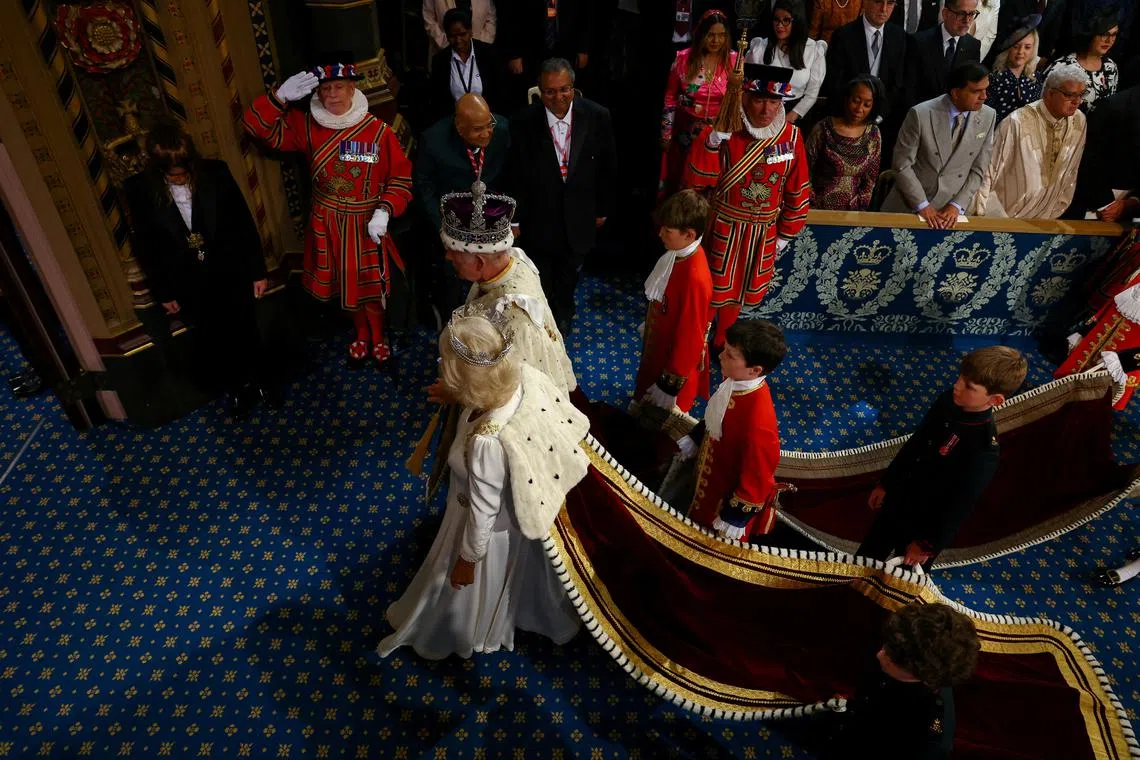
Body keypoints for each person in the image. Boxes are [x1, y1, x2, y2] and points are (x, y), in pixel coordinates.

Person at [377, 308, 586, 660]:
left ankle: (460, 633)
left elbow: (483, 511)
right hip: (513, 515)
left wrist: (468, 559)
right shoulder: (521, 376)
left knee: (458, 592)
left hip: (480, 530)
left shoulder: (487, 442)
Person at [243, 53, 413, 367]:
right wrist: (278, 98)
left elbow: (401, 179)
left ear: (352, 88)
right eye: (325, 89)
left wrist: (385, 210)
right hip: (328, 224)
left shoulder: (379, 132)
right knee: (347, 288)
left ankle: (378, 339)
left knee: (370, 288)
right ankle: (360, 336)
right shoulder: (305, 125)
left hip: (366, 223)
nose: (331, 95)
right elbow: (256, 126)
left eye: (338, 87)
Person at [123, 123, 268, 416]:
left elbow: (243, 223)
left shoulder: (216, 172)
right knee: (212, 339)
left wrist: (257, 271)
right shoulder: (138, 189)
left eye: (185, 170)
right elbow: (146, 246)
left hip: (231, 270)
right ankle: (235, 388)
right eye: (173, 174)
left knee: (246, 330)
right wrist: (162, 290)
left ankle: (261, 381)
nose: (181, 178)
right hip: (187, 281)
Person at [857, 346, 1028, 569]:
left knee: (900, 581)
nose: (957, 386)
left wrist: (926, 544)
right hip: (899, 501)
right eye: (961, 377)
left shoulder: (983, 449)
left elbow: (958, 506)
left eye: (969, 386)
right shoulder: (948, 401)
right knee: (864, 559)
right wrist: (886, 483)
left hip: (923, 526)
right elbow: (917, 444)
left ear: (995, 400)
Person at [681, 63, 812, 349]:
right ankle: (694, 341)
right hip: (722, 226)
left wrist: (785, 234)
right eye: (759, 99)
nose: (767, 109)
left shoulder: (791, 137)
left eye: (774, 101)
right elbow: (695, 182)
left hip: (762, 232)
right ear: (744, 97)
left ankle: (721, 342)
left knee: (739, 293)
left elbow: (798, 189)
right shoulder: (724, 130)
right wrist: (711, 144)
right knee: (709, 289)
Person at [507, 58, 617, 334]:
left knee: (569, 273)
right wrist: (515, 219)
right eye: (550, 91)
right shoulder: (522, 123)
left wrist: (603, 208)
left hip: (580, 213)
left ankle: (564, 314)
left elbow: (607, 166)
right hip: (539, 215)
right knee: (541, 274)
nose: (558, 97)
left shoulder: (597, 116)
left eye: (564, 89)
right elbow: (516, 174)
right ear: (540, 90)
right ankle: (542, 319)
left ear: (574, 87)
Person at [439, 183, 577, 396]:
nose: (448, 257)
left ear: (479, 262)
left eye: (453, 253)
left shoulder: (515, 316)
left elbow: (509, 389)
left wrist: (456, 392)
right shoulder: (511, 260)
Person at [674, 319, 785, 541]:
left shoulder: (758, 421)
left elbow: (759, 477)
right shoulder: (737, 379)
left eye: (730, 355)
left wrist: (734, 519)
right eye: (724, 349)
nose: (720, 356)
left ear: (755, 370)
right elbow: (717, 415)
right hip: (708, 481)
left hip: (721, 505)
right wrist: (697, 438)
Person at [825, 603, 980, 759]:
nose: (879, 654)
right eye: (887, 646)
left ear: (923, 676)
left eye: (893, 658)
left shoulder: (927, 739)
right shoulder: (904, 647)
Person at [415, 94, 511, 314]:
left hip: (491, 218)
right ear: (459, 127)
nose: (487, 133)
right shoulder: (433, 141)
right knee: (451, 281)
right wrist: (443, 228)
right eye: (478, 129)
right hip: (451, 221)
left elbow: (511, 174)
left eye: (489, 125)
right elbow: (424, 187)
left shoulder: (503, 129)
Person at [881, 62, 996, 230]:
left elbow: (979, 169)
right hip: (909, 207)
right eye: (976, 91)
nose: (984, 96)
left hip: (950, 216)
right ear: (956, 93)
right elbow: (902, 165)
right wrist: (922, 206)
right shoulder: (921, 114)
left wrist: (956, 205)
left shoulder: (988, 115)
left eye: (985, 89)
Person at [971, 62, 1087, 218]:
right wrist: (980, 215)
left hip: (1047, 217)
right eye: (1068, 95)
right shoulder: (1017, 122)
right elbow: (989, 170)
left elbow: (1071, 172)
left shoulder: (1079, 121)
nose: (1076, 101)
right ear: (1049, 93)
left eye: (1080, 95)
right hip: (1004, 216)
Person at [634, 190, 713, 415]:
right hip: (659, 347)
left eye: (667, 231)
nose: (660, 234)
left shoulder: (695, 278)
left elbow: (691, 337)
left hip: (671, 364)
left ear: (689, 234)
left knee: (661, 423)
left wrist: (669, 385)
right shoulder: (677, 252)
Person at [658, 10, 739, 200]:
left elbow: (738, 101)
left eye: (721, 35)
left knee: (711, 187)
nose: (716, 41)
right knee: (682, 184)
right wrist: (666, 133)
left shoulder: (735, 61)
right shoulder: (683, 58)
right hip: (686, 130)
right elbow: (670, 97)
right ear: (701, 34)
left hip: (718, 134)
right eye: (711, 34)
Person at [823, 0, 908, 164]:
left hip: (883, 125)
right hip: (846, 124)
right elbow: (835, 84)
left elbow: (898, 84)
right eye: (878, 2)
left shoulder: (900, 37)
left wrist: (879, 116)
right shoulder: (843, 35)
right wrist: (854, 116)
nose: (884, 9)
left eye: (890, 3)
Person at [1055, 267, 1140, 410]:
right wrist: (1085, 331)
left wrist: (1126, 362)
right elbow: (1111, 306)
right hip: (1092, 346)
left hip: (1122, 362)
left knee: (1093, 405)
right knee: (1063, 389)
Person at [805, 75, 883, 211]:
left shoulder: (873, 134)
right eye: (855, 101)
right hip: (816, 207)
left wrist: (859, 207)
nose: (859, 109)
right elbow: (805, 169)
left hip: (853, 211)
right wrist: (811, 203)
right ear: (846, 99)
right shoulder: (823, 128)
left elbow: (870, 179)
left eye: (867, 105)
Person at [1066, 84, 1140, 221]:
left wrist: (1133, 202)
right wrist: (1107, 205)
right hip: (1096, 205)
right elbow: (1089, 157)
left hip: (1132, 207)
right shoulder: (1113, 106)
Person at [747, 0, 829, 124]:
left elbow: (812, 93)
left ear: (797, 21)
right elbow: (748, 86)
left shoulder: (813, 49)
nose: (779, 25)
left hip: (795, 114)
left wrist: (790, 118)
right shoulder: (760, 46)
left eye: (786, 20)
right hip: (763, 113)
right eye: (776, 20)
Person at [497, 0, 590, 106]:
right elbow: (509, 17)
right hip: (530, 50)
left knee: (563, 91)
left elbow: (583, 16)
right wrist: (514, 54)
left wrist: (583, 49)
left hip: (566, 49)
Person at [428, 8, 506, 121]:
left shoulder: (489, 54)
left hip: (487, 119)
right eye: (452, 36)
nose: (458, 40)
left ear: (470, 31)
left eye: (462, 34)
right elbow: (439, 102)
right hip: (455, 122)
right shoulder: (440, 61)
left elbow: (500, 93)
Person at [1041, 8, 1120, 112]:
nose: (1109, 41)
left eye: (1114, 34)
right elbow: (1042, 105)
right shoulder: (1061, 66)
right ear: (1090, 34)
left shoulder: (1111, 67)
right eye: (1104, 34)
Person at [906, 0, 983, 106]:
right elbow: (909, 90)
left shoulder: (973, 46)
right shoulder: (919, 42)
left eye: (972, 14)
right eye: (961, 14)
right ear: (945, 13)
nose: (967, 20)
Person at [986, 15, 1044, 122]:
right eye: (1016, 46)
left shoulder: (1035, 78)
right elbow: (986, 117)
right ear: (1008, 48)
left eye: (1027, 47)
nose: (1021, 52)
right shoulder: (994, 79)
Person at [996, 0, 1067, 64]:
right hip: (1004, 59)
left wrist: (1042, 60)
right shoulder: (1016, 2)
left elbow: (1051, 36)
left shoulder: (1057, 4)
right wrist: (1036, 59)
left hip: (1033, 67)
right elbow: (1003, 34)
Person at [424, 0, 497, 56]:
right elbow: (429, 21)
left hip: (480, 53)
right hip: (444, 53)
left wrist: (480, 45)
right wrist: (451, 45)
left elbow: (490, 18)